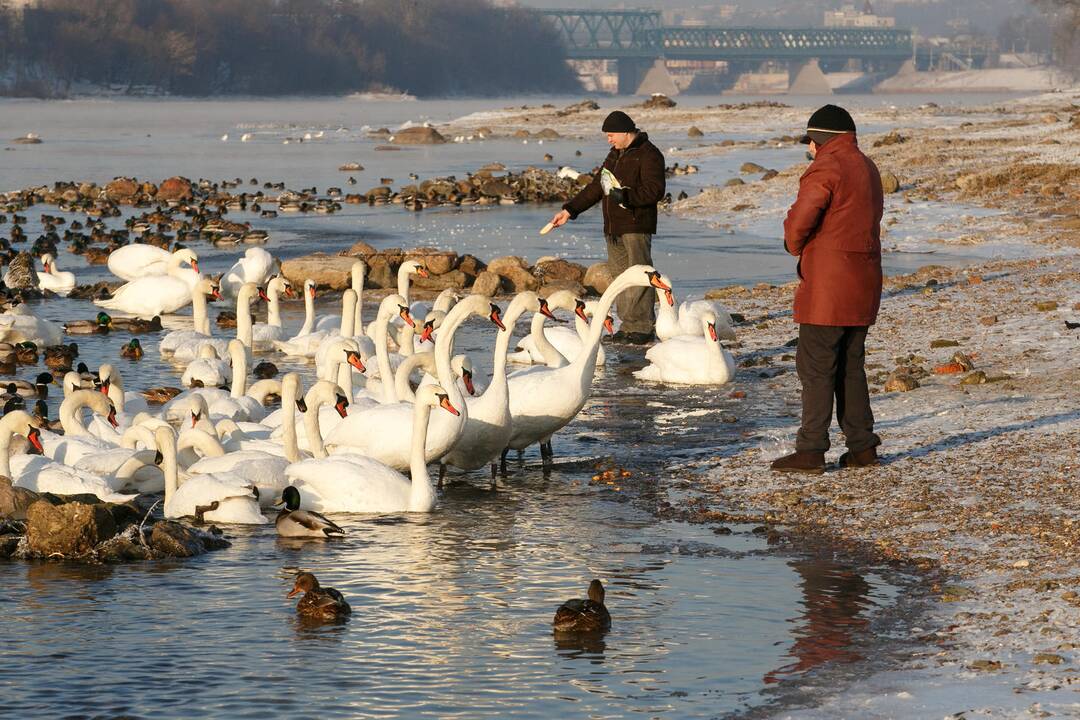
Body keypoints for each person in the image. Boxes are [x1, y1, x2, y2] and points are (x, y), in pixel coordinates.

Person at [770, 104, 884, 474]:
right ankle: (863, 447)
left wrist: (792, 242)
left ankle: (811, 451)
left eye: (810, 142)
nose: (809, 149)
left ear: (820, 140)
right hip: (863, 282)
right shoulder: (867, 166)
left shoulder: (827, 166)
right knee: (851, 367)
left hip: (829, 289)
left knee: (816, 368)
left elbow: (801, 220)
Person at [549, 110, 665, 344]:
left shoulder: (649, 154)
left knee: (640, 277)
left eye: (611, 134)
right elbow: (596, 187)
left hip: (636, 225)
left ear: (625, 132)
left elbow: (655, 190)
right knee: (621, 278)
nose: (608, 139)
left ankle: (642, 328)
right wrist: (570, 211)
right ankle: (628, 327)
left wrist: (627, 197)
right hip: (613, 228)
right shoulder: (614, 155)